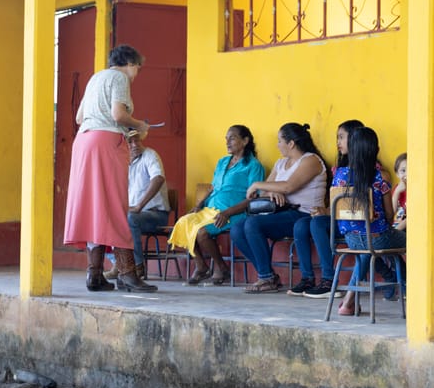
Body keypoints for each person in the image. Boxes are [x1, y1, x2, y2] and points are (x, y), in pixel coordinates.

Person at [63, 44, 155, 293]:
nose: (136, 74)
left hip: (83, 142)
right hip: (106, 142)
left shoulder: (96, 78)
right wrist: (140, 125)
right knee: (115, 205)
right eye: (137, 68)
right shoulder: (119, 77)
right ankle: (128, 274)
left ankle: (94, 275)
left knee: (94, 207)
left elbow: (79, 117)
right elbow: (118, 114)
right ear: (131, 63)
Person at [231, 123, 327, 293]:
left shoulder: (311, 160)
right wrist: (273, 193)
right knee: (237, 229)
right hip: (282, 212)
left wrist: (260, 185)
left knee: (253, 224)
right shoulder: (281, 163)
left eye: (280, 141)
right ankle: (267, 274)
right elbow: (265, 190)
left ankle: (266, 278)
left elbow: (289, 186)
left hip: (304, 214)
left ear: (291, 144)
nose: (277, 145)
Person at [170, 125, 265, 285]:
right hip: (210, 209)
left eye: (232, 138)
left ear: (245, 141)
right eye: (226, 139)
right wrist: (199, 204)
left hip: (234, 213)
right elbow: (213, 187)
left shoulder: (253, 166)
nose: (227, 142)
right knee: (183, 223)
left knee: (202, 233)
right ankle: (201, 266)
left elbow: (252, 199)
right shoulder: (222, 162)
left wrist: (227, 213)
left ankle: (221, 268)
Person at [335, 127, 406, 316]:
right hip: (379, 237)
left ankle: (349, 302)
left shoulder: (339, 175)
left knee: (366, 251)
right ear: (375, 150)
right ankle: (411, 288)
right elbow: (390, 215)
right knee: (413, 241)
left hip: (350, 239)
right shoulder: (379, 178)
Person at [289, 120, 362, 298]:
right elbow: (336, 199)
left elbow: (355, 205)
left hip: (353, 221)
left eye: (341, 137)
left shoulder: (367, 170)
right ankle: (307, 278)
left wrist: (327, 212)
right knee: (301, 224)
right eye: (337, 137)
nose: (338, 142)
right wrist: (324, 210)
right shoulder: (340, 169)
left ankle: (329, 280)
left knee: (318, 225)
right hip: (337, 218)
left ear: (356, 139)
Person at [124, 130, 170, 281]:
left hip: (156, 215)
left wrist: (138, 206)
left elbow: (158, 178)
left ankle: (137, 267)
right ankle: (119, 264)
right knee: (107, 218)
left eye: (137, 140)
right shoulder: (123, 161)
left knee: (131, 218)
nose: (135, 145)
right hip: (134, 214)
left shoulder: (150, 155)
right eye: (130, 142)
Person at [392, 152, 407, 231]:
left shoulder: (419, 189)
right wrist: (397, 192)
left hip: (408, 228)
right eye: (403, 171)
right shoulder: (397, 188)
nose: (407, 174)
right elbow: (392, 212)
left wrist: (397, 230)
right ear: (397, 174)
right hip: (396, 225)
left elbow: (414, 216)